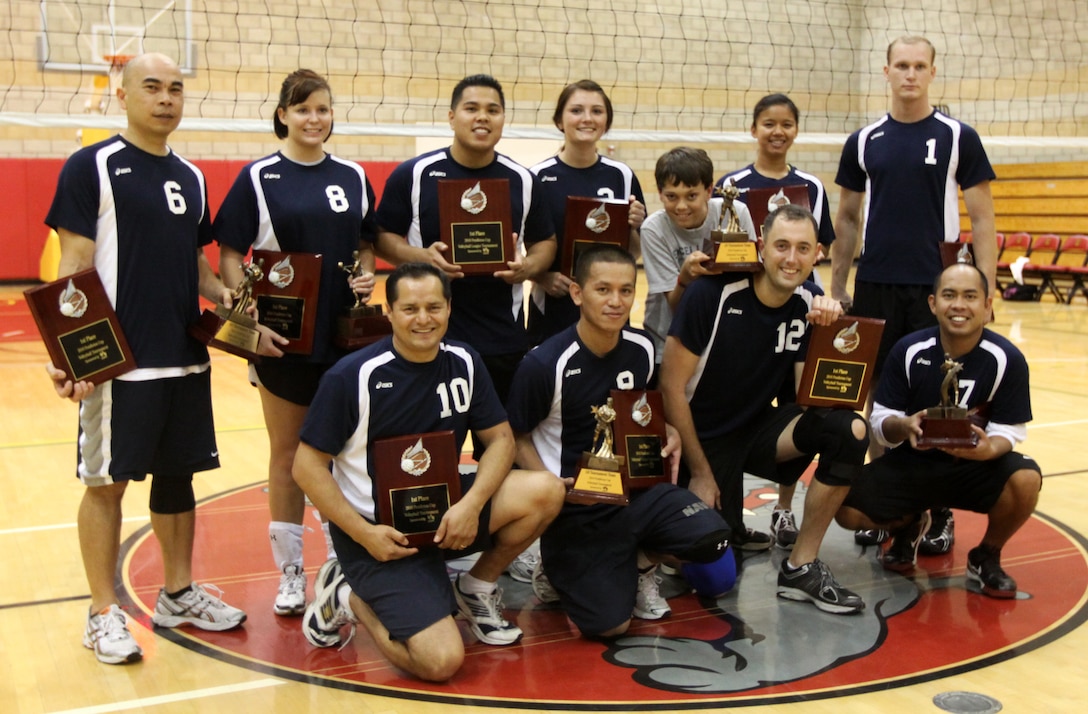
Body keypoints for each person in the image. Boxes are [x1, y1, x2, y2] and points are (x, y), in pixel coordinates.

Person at [44, 53, 249, 665]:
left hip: (183, 355)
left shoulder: (189, 175)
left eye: (176, 89)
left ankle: (179, 593)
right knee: (106, 485)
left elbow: (194, 263)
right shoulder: (93, 167)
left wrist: (233, 303)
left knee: (178, 476)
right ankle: (101, 612)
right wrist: (70, 356)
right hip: (119, 363)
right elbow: (74, 264)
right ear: (123, 94)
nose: (166, 98)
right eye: (152, 87)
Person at [293, 262, 566, 682]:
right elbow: (306, 467)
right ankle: (347, 596)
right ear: (390, 313)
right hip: (381, 538)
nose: (424, 319)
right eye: (411, 308)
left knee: (545, 490)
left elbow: (501, 442)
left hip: (449, 516)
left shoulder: (464, 361)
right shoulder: (353, 376)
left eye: (434, 307)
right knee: (440, 662)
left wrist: (471, 505)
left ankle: (475, 588)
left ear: (449, 308)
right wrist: (364, 534)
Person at [213, 69, 379, 618]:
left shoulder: (353, 175)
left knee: (341, 453)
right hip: (284, 339)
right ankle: (289, 570)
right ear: (283, 114)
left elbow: (364, 245)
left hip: (346, 338)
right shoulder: (259, 177)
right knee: (288, 455)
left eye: (324, 109)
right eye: (304, 109)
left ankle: (340, 556)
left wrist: (366, 276)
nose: (315, 118)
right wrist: (244, 299)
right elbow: (231, 253)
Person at [506, 245, 733, 637]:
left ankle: (641, 562)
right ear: (578, 293)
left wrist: (671, 431)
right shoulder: (544, 364)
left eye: (626, 291)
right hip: (576, 509)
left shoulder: (642, 347)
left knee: (714, 545)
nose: (616, 302)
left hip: (636, 493)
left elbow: (643, 412)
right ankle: (558, 568)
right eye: (603, 290)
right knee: (608, 626)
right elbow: (516, 436)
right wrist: (549, 488)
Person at [831, 35, 998, 553]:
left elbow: (984, 217)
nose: (909, 74)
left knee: (938, 397)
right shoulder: (864, 139)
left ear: (931, 72)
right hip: (876, 283)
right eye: (900, 65)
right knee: (881, 394)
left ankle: (940, 511)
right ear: (886, 71)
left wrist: (983, 291)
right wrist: (838, 287)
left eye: (918, 66)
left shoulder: (957, 137)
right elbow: (848, 217)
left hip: (935, 285)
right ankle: (891, 506)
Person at [660, 204, 870, 614]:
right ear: (760, 247)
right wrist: (701, 474)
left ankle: (800, 566)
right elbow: (670, 387)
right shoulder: (713, 294)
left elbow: (809, 403)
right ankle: (684, 533)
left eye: (802, 249)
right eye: (781, 246)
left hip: (756, 430)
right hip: (699, 437)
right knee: (713, 578)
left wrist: (827, 337)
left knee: (849, 430)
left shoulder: (809, 300)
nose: (791, 259)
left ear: (817, 255)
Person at [836, 263, 1041, 598]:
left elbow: (1011, 429)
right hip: (913, 464)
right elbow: (880, 420)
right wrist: (903, 425)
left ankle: (986, 555)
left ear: (987, 305)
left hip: (974, 467)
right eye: (949, 295)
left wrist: (989, 449)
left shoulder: (1007, 358)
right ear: (933, 303)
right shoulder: (909, 350)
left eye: (970, 296)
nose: (958, 305)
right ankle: (909, 523)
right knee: (846, 507)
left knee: (1026, 479)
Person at [374, 74, 556, 411]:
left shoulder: (523, 180)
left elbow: (545, 241)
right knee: (430, 445)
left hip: (502, 335)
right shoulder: (414, 174)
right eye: (471, 108)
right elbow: (381, 237)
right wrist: (420, 257)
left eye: (493, 110)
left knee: (502, 441)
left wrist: (528, 267)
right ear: (451, 116)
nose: (482, 117)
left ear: (503, 118)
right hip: (428, 334)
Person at [717, 93, 837, 549]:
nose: (777, 131)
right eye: (768, 123)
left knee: (799, 402)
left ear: (795, 131)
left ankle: (784, 509)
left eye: (786, 124)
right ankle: (726, 510)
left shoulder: (813, 186)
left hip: (798, 310)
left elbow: (815, 252)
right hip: (750, 311)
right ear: (754, 129)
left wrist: (823, 299)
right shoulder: (732, 183)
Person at [527, 79, 647, 346]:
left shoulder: (622, 175)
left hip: (608, 305)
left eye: (596, 111)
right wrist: (540, 276)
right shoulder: (536, 177)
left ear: (606, 121)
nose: (587, 118)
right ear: (560, 121)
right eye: (577, 110)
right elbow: (519, 246)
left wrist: (633, 226)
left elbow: (633, 252)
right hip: (555, 303)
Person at [641, 146, 758, 364]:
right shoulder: (653, 230)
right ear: (660, 194)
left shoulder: (736, 212)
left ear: (709, 190)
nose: (681, 206)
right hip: (668, 339)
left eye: (692, 196)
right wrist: (684, 278)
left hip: (722, 337)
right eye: (671, 196)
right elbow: (675, 306)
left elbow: (752, 280)